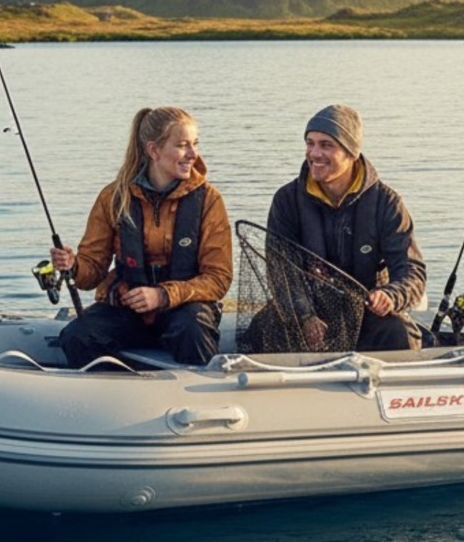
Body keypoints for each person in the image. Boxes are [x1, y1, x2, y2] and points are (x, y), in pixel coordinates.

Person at [52, 107, 233, 368]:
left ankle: (199, 389)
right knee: (77, 336)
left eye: (195, 144)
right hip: (126, 312)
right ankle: (114, 387)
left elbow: (219, 278)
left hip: (185, 310)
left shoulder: (209, 200)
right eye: (182, 145)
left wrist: (162, 295)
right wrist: (73, 266)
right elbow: (91, 273)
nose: (193, 154)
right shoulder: (113, 197)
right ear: (153, 150)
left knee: (192, 328)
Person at [266, 104, 426, 351]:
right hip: (310, 311)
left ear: (351, 153)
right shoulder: (286, 200)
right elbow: (280, 272)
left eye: (326, 145)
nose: (314, 153)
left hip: (366, 311)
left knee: (399, 332)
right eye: (310, 143)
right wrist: (305, 316)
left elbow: (411, 271)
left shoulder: (387, 202)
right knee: (265, 328)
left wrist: (391, 295)